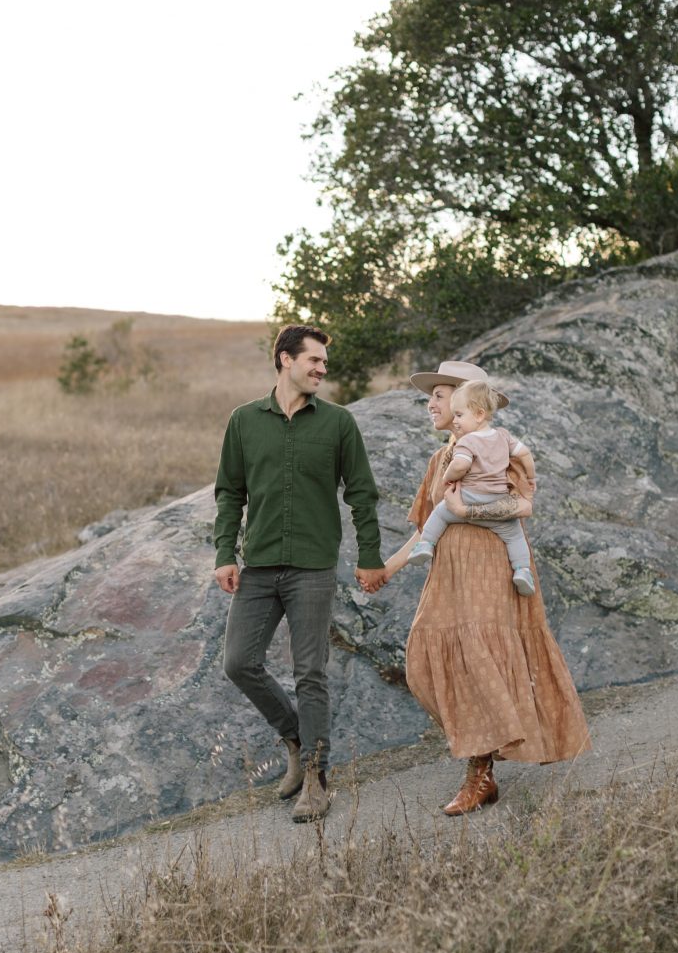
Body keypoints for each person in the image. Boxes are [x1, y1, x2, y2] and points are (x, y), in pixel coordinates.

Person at [381, 359, 591, 815]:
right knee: (422, 660)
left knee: (478, 659)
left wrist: (468, 512)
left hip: (489, 566)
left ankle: (481, 772)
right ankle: (485, 753)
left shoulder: (498, 449)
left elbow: (522, 505)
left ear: (467, 403)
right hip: (449, 572)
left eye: (439, 396)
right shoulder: (440, 459)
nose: (431, 404)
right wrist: (387, 569)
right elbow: (425, 528)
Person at [214, 323, 387, 825]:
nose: (321, 369)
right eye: (314, 360)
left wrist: (370, 555)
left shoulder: (338, 423)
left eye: (324, 363)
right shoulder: (244, 421)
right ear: (285, 359)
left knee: (310, 672)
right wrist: (225, 552)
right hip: (259, 565)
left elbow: (362, 493)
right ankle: (295, 738)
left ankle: (315, 776)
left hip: (313, 566)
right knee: (239, 663)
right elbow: (230, 492)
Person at [406, 378, 538, 597]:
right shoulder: (503, 437)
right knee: (515, 536)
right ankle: (522, 570)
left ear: (478, 414)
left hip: (471, 501)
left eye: (459, 414)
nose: (456, 419)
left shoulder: (467, 442)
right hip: (496, 500)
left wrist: (448, 478)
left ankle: (425, 545)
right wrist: (532, 476)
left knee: (440, 514)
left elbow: (461, 465)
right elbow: (525, 453)